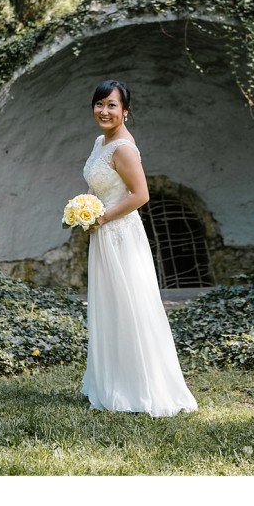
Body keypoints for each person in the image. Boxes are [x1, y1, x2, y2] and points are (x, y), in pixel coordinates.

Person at [80, 79, 198, 417]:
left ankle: (140, 387)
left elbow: (140, 196)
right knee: (109, 305)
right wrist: (84, 208)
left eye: (112, 105)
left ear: (125, 112)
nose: (104, 110)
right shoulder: (100, 142)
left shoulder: (124, 149)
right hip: (103, 233)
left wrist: (100, 218)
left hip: (120, 235)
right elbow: (99, 183)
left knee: (130, 305)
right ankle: (110, 380)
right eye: (100, 103)